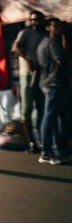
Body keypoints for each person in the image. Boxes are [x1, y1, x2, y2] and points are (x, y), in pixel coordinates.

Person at [36, 17, 71, 165]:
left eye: (59, 26)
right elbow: (61, 59)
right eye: (55, 26)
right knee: (54, 119)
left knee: (55, 118)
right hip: (55, 83)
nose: (58, 28)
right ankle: (49, 152)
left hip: (48, 83)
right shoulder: (53, 42)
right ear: (47, 28)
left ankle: (55, 151)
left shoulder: (43, 43)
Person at [11, 10, 46, 153]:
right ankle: (31, 142)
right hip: (27, 74)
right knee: (26, 109)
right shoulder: (25, 33)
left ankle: (43, 142)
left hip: (42, 75)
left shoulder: (45, 35)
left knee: (42, 109)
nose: (35, 22)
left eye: (38, 19)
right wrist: (27, 60)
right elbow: (15, 48)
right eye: (33, 19)